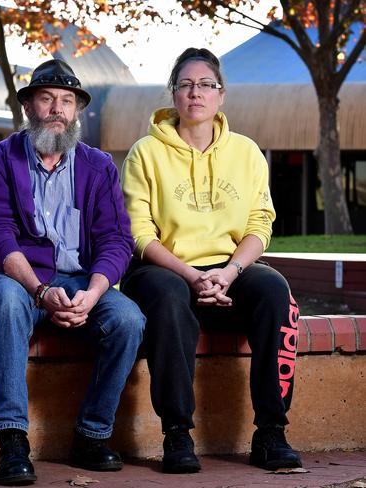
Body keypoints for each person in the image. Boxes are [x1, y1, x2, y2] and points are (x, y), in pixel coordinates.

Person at [120, 48, 302, 474]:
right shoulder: (145, 152)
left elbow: (261, 222)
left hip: (229, 267)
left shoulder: (247, 152)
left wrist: (230, 271)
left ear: (221, 95)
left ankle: (271, 433)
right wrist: (191, 275)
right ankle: (177, 433)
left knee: (275, 291)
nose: (195, 93)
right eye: (185, 84)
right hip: (163, 268)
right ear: (173, 94)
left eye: (205, 85)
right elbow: (139, 232)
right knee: (166, 294)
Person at [0, 59, 145, 486]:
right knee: (8, 305)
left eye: (67, 101)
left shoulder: (99, 166)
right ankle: (12, 441)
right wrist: (39, 289)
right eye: (47, 98)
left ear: (76, 111)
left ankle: (92, 435)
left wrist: (94, 291)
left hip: (83, 280)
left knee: (128, 319)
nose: (57, 109)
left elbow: (116, 240)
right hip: (19, 279)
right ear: (29, 105)